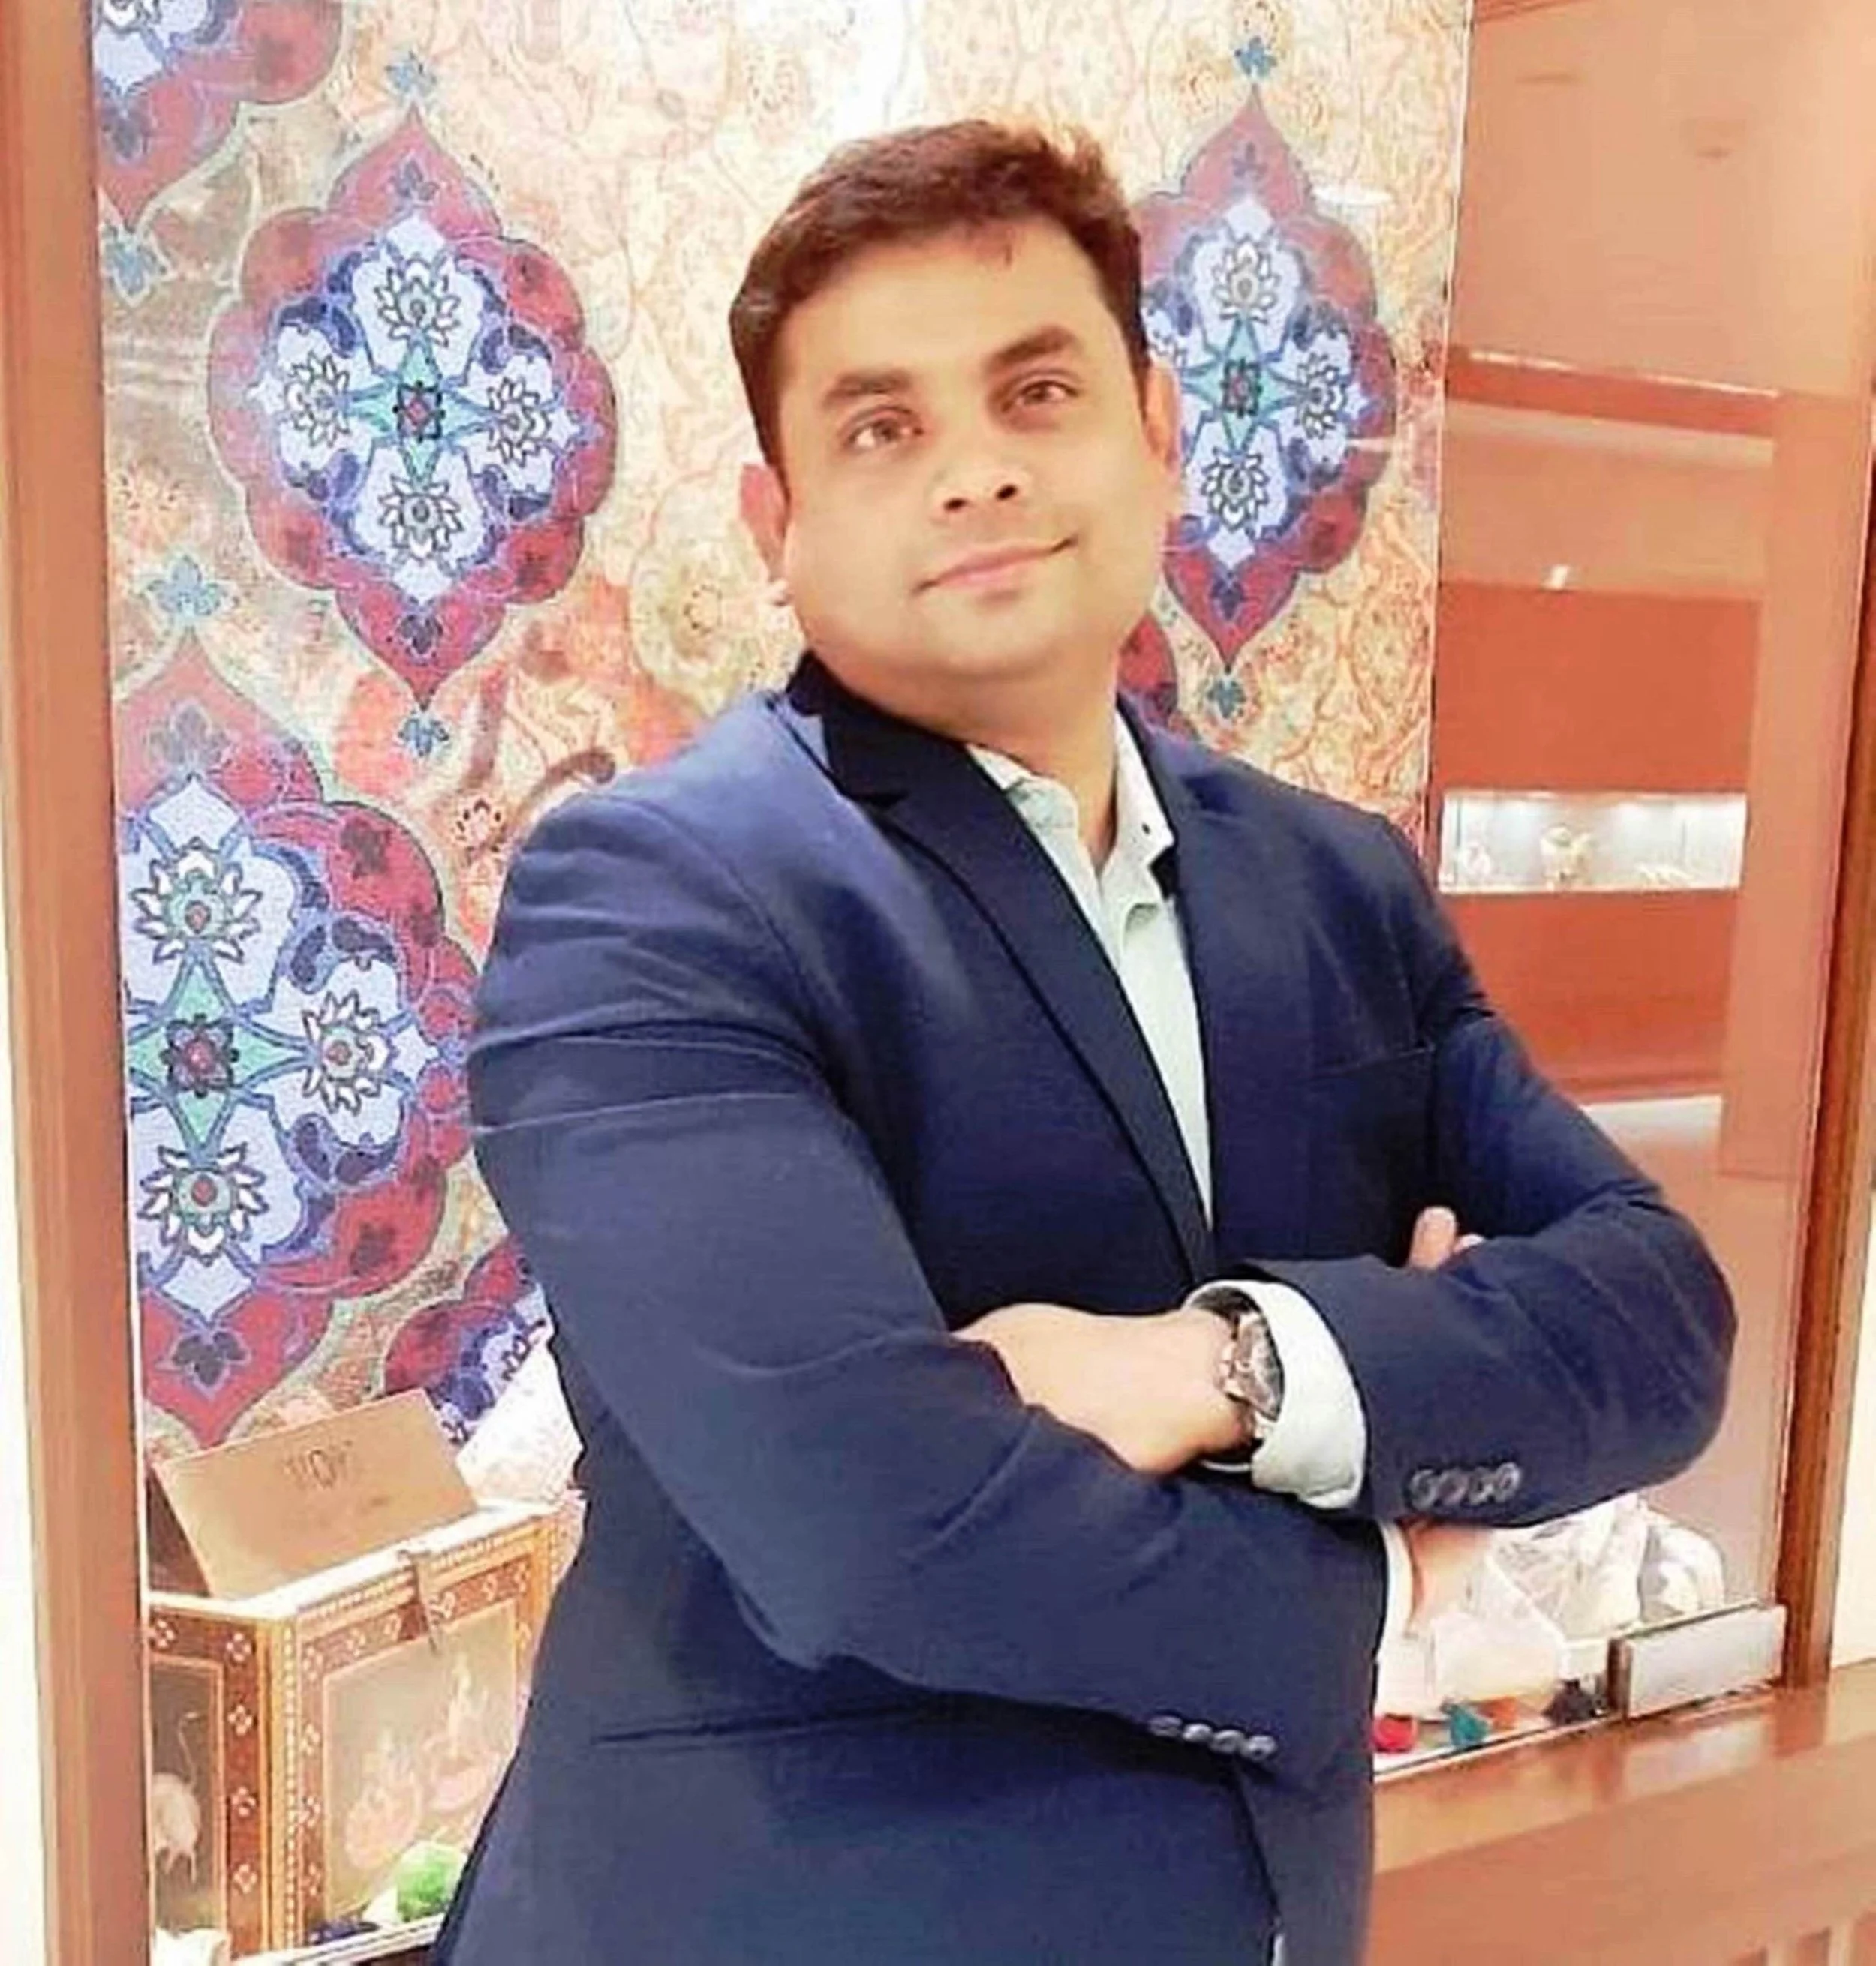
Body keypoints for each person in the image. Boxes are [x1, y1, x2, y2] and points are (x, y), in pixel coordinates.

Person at [433, 121, 1733, 1966]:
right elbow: (866, 1516)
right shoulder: (657, 894)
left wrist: (1234, 1366)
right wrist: (1375, 1586)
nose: (974, 469)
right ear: (775, 528)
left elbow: (1656, 1324)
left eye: (1035, 391)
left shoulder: (1331, 881)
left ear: (1154, 431)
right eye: (879, 427)